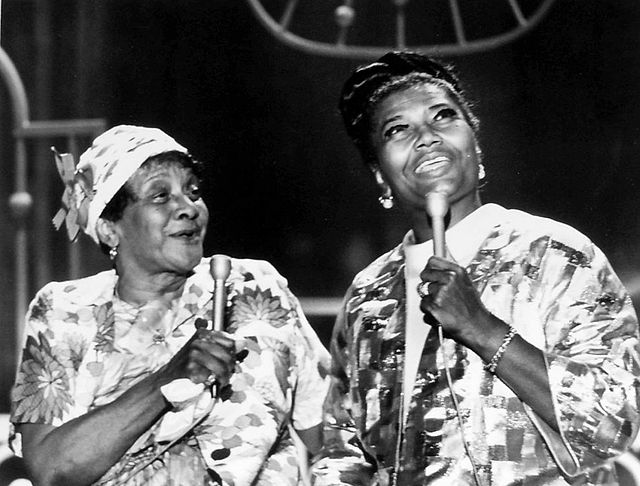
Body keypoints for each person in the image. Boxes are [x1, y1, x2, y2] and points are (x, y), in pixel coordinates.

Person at [311, 51, 640, 485]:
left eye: (442, 116)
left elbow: (617, 424)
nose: (425, 137)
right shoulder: (367, 296)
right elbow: (343, 450)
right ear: (379, 176)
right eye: (398, 129)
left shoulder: (556, 253)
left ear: (476, 146)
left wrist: (482, 328)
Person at [9, 125, 330, 486]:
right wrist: (168, 378)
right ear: (109, 228)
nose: (188, 208)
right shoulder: (63, 311)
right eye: (160, 196)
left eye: (193, 191)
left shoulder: (255, 289)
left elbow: (333, 436)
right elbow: (51, 469)